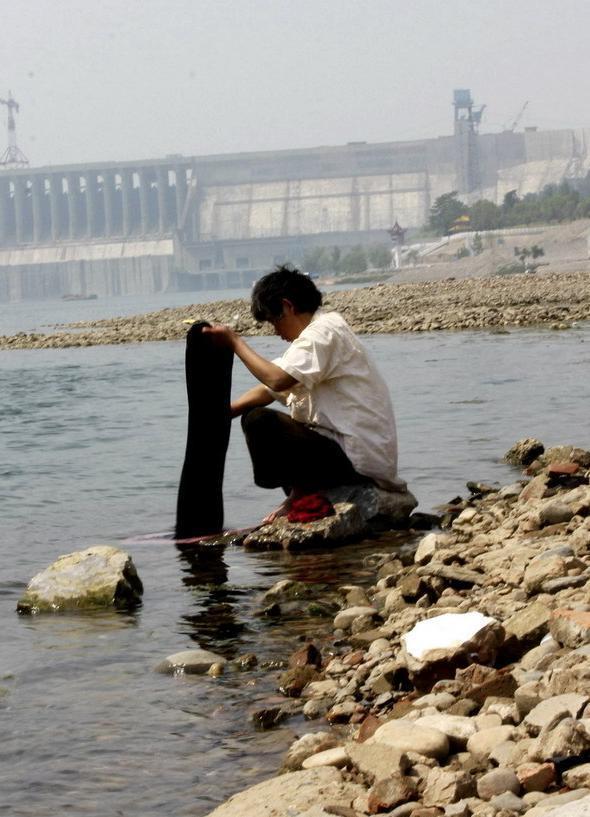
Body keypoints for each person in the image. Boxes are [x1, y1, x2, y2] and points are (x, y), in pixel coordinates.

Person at [203, 265, 402, 523]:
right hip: (349, 458)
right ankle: (301, 491)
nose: (276, 330)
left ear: (287, 306)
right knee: (252, 414)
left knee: (259, 421)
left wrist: (236, 343)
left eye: (275, 321)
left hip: (359, 464)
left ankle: (301, 493)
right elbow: (270, 389)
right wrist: (227, 411)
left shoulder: (323, 333)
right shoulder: (317, 334)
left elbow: (276, 378)